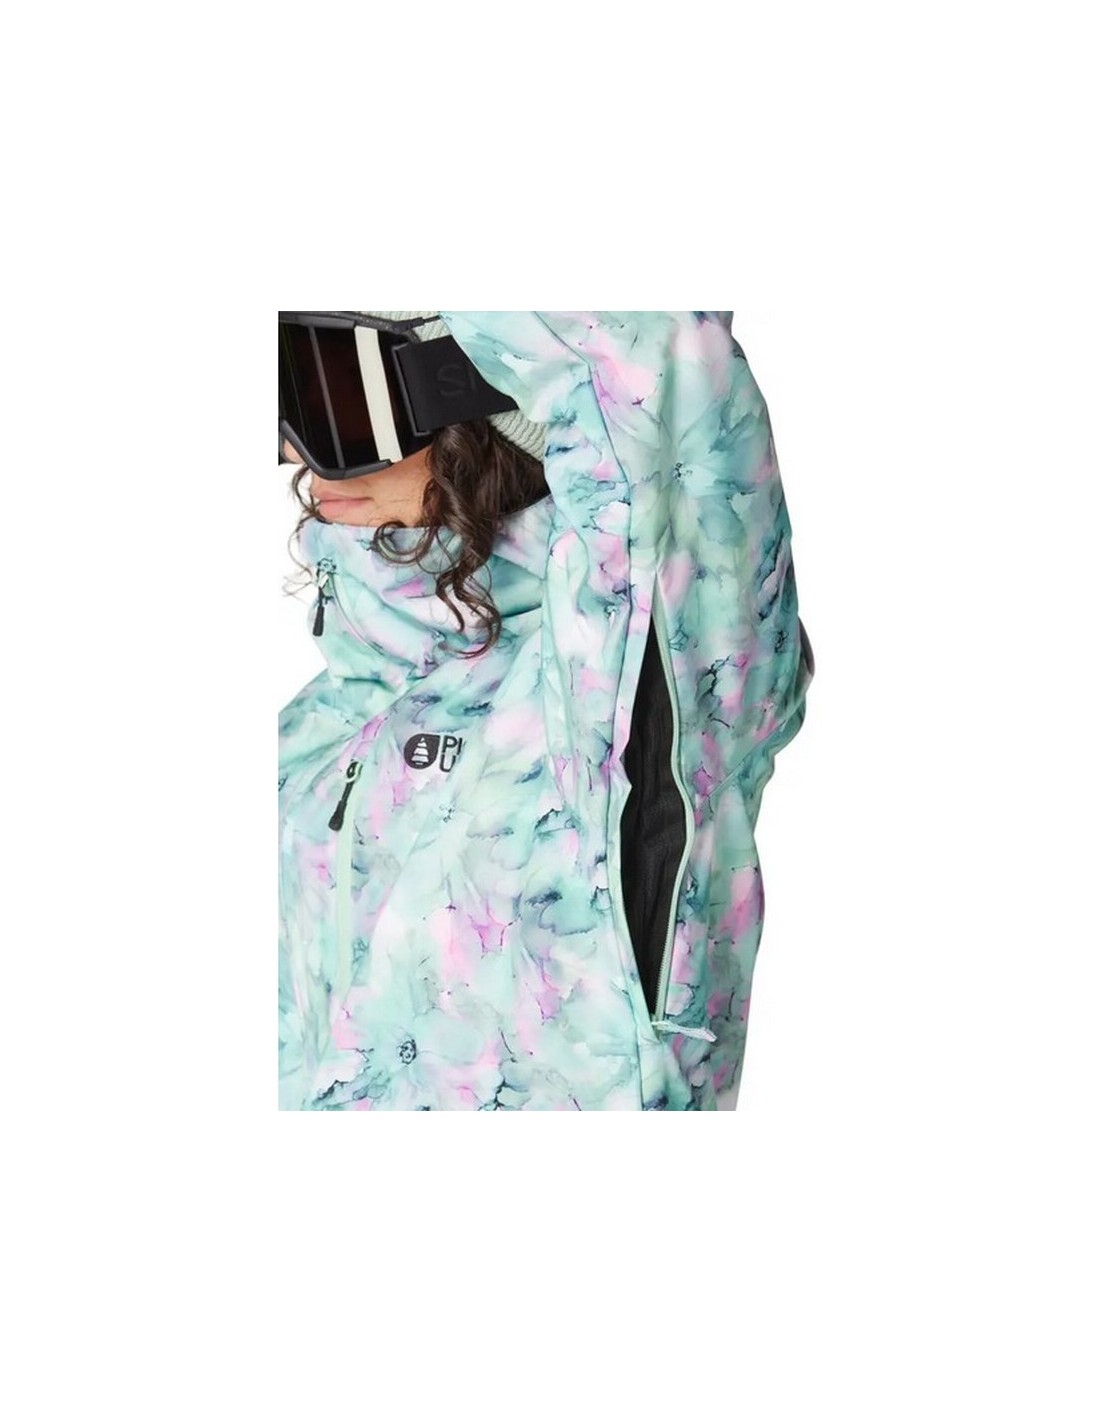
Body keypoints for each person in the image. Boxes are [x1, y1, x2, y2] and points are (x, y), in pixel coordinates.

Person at [279, 310, 814, 1110]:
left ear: (473, 389)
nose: (293, 450)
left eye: (334, 392)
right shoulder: (329, 716)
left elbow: (656, 357)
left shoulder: (623, 684)